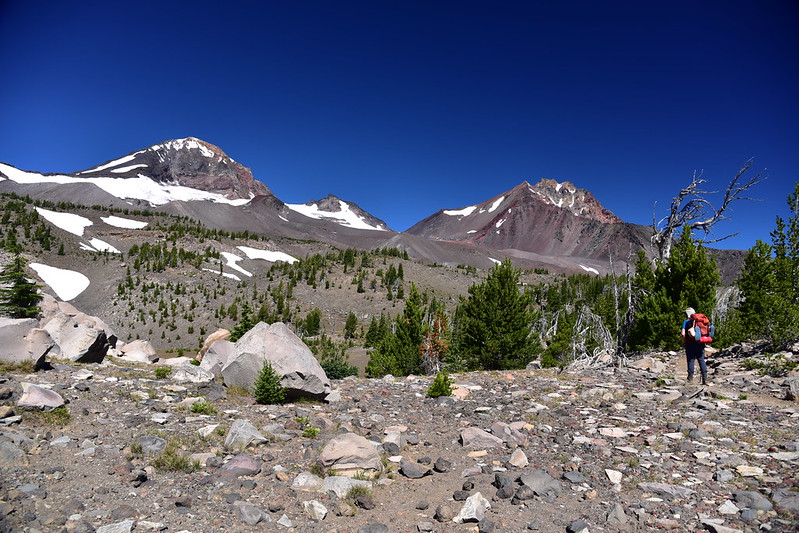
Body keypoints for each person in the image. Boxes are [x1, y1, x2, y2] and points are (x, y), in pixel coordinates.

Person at [681, 307, 708, 385]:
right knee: (701, 359)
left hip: (690, 344)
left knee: (691, 360)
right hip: (700, 342)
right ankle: (705, 379)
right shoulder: (700, 321)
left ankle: (690, 379)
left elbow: (683, 334)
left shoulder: (686, 322)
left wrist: (684, 342)